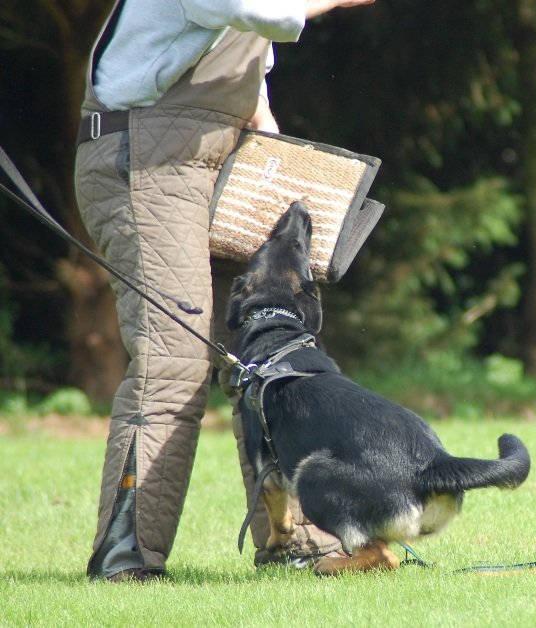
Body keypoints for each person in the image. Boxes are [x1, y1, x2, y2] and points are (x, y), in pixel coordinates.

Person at [74, 0, 377, 582]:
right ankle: (125, 556)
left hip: (218, 157)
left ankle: (297, 543)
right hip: (145, 160)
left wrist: (266, 137)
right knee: (174, 358)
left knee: (268, 352)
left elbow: (246, 67)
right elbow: (253, 9)